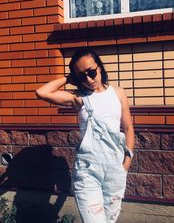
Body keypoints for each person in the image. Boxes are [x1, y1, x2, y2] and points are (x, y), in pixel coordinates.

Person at [35, 48, 135, 223]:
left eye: (91, 72)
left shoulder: (118, 93)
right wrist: (67, 78)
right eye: (82, 76)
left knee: (109, 220)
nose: (88, 79)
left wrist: (126, 163)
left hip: (115, 168)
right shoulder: (78, 98)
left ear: (100, 67)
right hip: (88, 171)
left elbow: (128, 128)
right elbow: (42, 92)